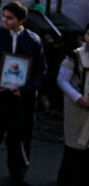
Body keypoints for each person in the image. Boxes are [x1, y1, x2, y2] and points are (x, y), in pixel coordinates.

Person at [0, 1, 46, 184]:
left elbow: (40, 70)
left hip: (20, 100)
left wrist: (25, 90)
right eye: (4, 16)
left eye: (10, 18)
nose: (5, 20)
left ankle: (18, 174)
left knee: (19, 137)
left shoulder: (33, 40)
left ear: (21, 20)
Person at [57, 22, 89, 186]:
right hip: (78, 109)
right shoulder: (75, 56)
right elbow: (62, 80)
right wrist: (78, 98)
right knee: (74, 148)